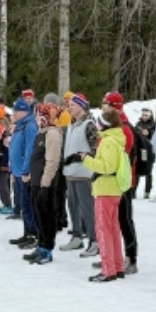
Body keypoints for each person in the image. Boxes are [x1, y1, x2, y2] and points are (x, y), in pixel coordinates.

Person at [77, 105, 129, 283]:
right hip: (113, 190)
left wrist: (86, 160)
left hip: (105, 190)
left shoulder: (107, 141)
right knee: (113, 229)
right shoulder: (115, 139)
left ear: (105, 125)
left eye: (99, 122)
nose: (97, 125)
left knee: (103, 230)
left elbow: (107, 167)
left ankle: (108, 270)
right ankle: (117, 266)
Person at [103, 90, 139, 274]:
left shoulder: (124, 128)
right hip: (114, 181)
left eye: (106, 104)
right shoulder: (113, 125)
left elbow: (120, 156)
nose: (103, 108)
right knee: (113, 220)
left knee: (124, 219)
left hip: (122, 181)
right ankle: (113, 255)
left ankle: (131, 257)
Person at [26, 101, 64, 265]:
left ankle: (47, 248)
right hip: (36, 181)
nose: (37, 119)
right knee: (38, 215)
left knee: (46, 216)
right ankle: (41, 245)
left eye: (40, 115)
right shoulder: (41, 132)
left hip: (46, 183)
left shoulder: (53, 134)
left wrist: (45, 182)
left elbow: (52, 160)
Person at [61, 94, 98, 256]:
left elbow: (96, 149)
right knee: (73, 207)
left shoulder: (89, 125)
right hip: (70, 173)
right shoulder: (71, 124)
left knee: (87, 209)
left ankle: (94, 240)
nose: (70, 108)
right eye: (69, 106)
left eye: (73, 106)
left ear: (82, 106)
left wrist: (81, 157)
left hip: (84, 173)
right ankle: (76, 236)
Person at [9, 97, 39, 251]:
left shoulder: (29, 126)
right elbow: (13, 148)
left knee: (28, 205)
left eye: (16, 110)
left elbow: (29, 150)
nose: (13, 113)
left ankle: (33, 234)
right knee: (23, 204)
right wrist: (12, 170)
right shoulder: (19, 126)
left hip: (25, 172)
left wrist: (26, 170)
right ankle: (27, 232)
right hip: (18, 170)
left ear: (23, 111)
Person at [133, 107, 156, 201]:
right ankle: (133, 190)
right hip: (139, 150)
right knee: (137, 170)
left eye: (146, 115)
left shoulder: (154, 125)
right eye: (143, 115)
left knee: (148, 171)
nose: (144, 117)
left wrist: (149, 133)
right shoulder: (138, 124)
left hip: (149, 150)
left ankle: (147, 191)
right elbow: (133, 134)